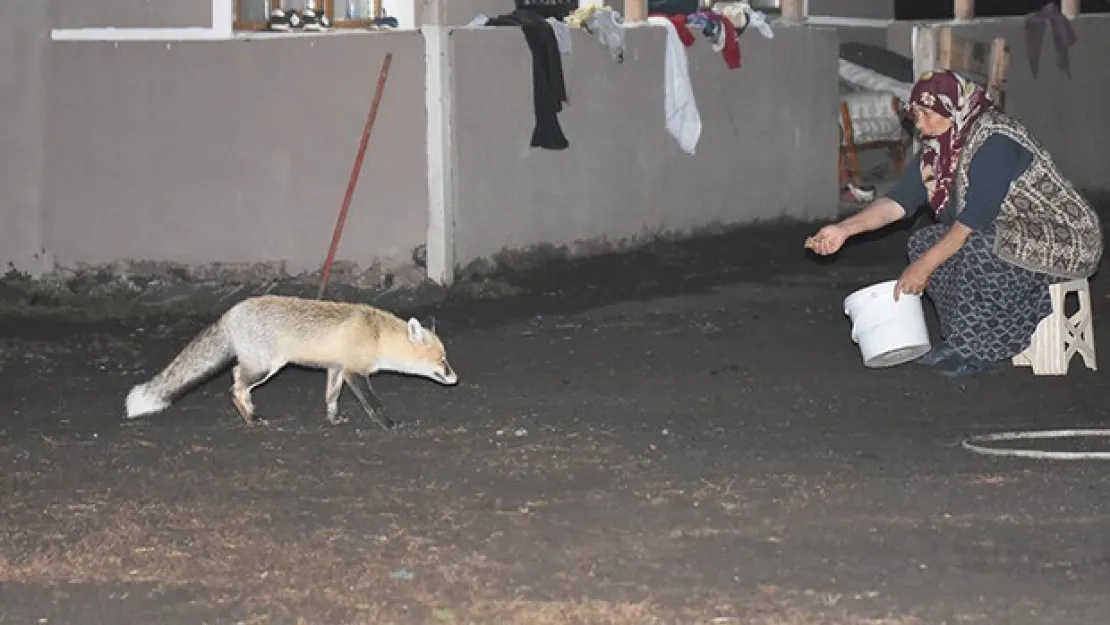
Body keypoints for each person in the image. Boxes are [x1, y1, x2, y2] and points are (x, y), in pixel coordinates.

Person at [806, 70, 1103, 377]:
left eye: (927, 115)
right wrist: (843, 230)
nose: (920, 125)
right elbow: (897, 203)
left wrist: (923, 267)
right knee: (923, 242)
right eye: (915, 115)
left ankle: (982, 348)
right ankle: (963, 340)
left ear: (954, 108)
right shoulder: (939, 152)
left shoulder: (995, 141)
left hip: (1067, 238)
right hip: (1005, 233)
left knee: (977, 248)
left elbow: (971, 221)